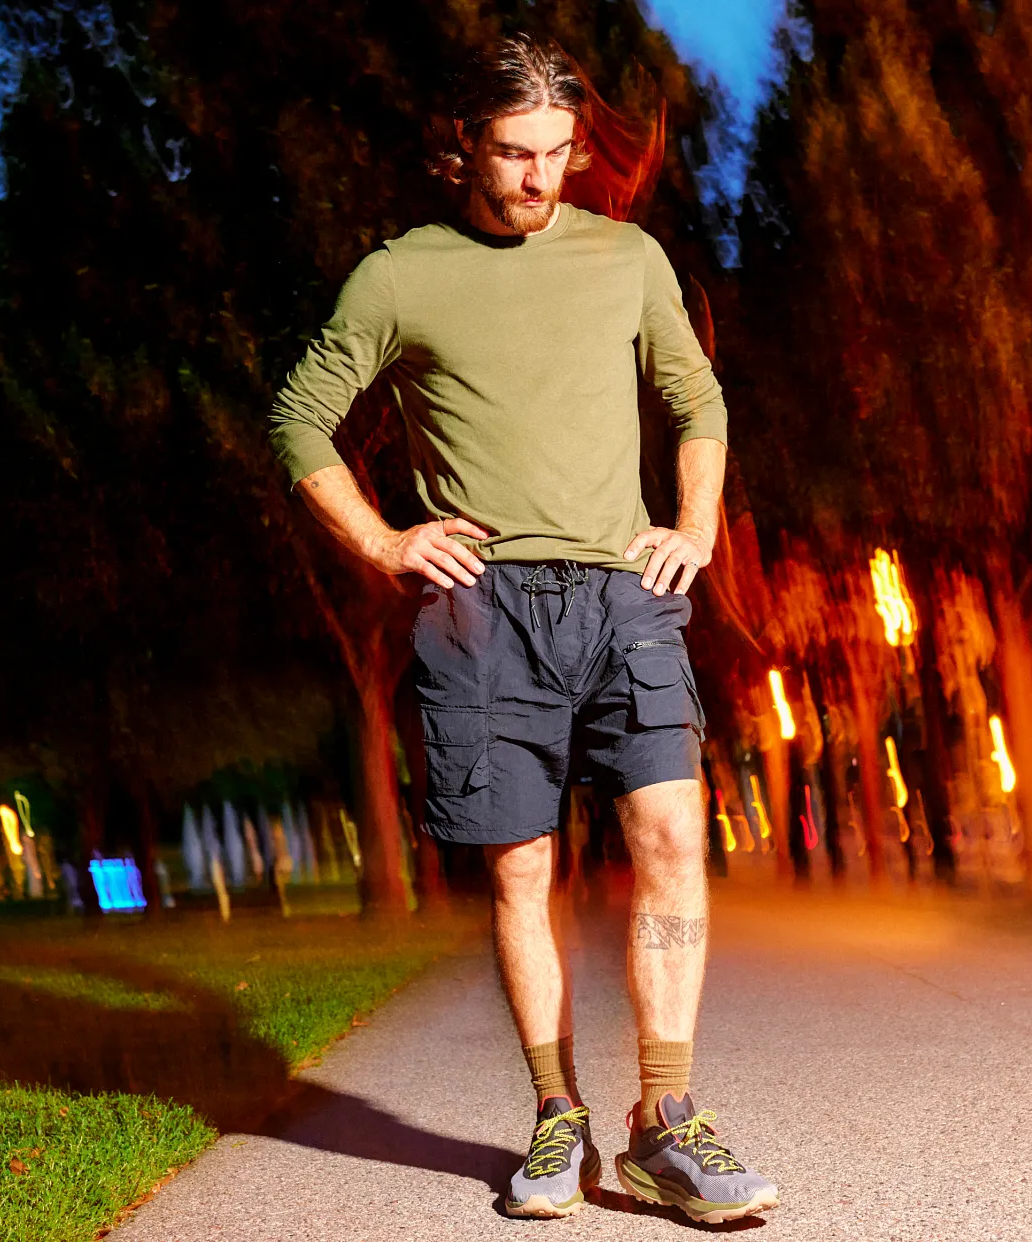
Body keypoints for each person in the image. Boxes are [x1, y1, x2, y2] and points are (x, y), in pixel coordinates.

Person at [266, 32, 778, 1226]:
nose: (542, 179)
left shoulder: (625, 255)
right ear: (461, 145)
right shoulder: (399, 276)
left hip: (624, 598)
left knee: (667, 836)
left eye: (559, 152)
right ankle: (558, 1116)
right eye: (514, 152)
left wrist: (693, 527)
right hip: (483, 608)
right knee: (521, 867)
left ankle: (665, 1121)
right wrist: (387, 542)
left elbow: (692, 395)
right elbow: (297, 420)